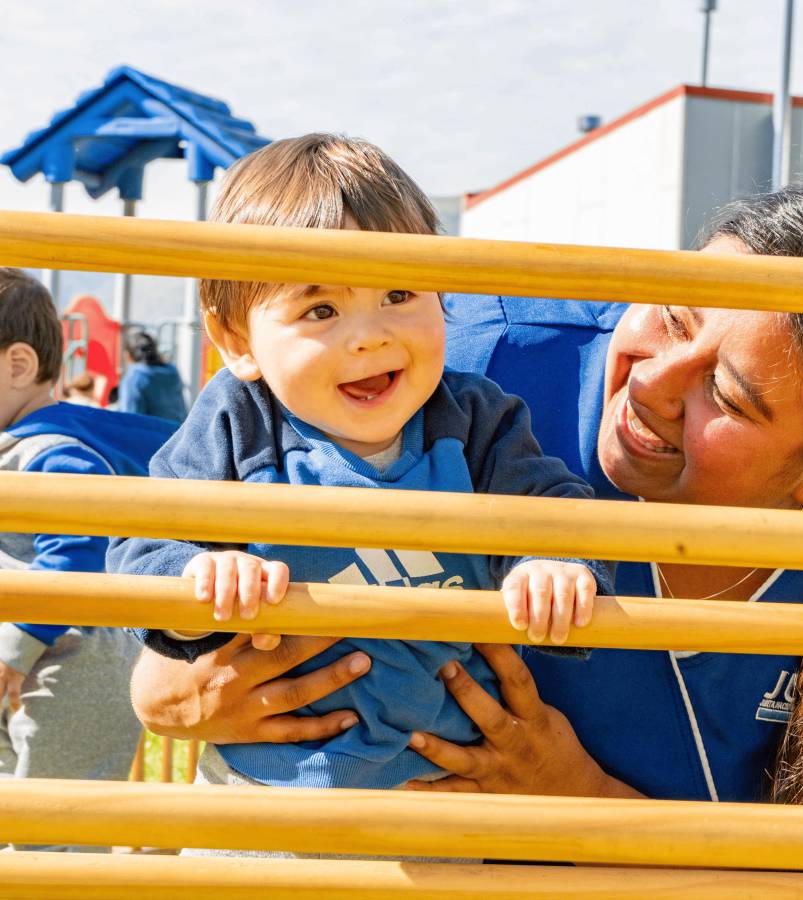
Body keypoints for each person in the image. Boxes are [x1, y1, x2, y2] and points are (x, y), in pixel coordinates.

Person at [126, 178, 803, 810]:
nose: (651, 380)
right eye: (674, 318)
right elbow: (188, 582)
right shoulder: (465, 374)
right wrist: (173, 686)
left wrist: (581, 802)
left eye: (727, 395)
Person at [107, 134, 612, 795]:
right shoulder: (238, 421)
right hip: (264, 799)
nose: (371, 334)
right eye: (321, 308)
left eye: (399, 292)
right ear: (236, 340)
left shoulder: (474, 418)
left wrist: (552, 561)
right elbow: (142, 545)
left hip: (438, 797)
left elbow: (550, 502)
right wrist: (198, 574)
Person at [0, 268, 177, 851]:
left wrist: (15, 652)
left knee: (57, 821)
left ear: (18, 366)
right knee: (17, 810)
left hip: (75, 658)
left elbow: (78, 548)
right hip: (29, 656)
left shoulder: (50, 450)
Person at [117, 330, 187, 422]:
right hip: (179, 432)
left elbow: (130, 420)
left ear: (127, 356)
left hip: (150, 435)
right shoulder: (173, 372)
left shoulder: (134, 379)